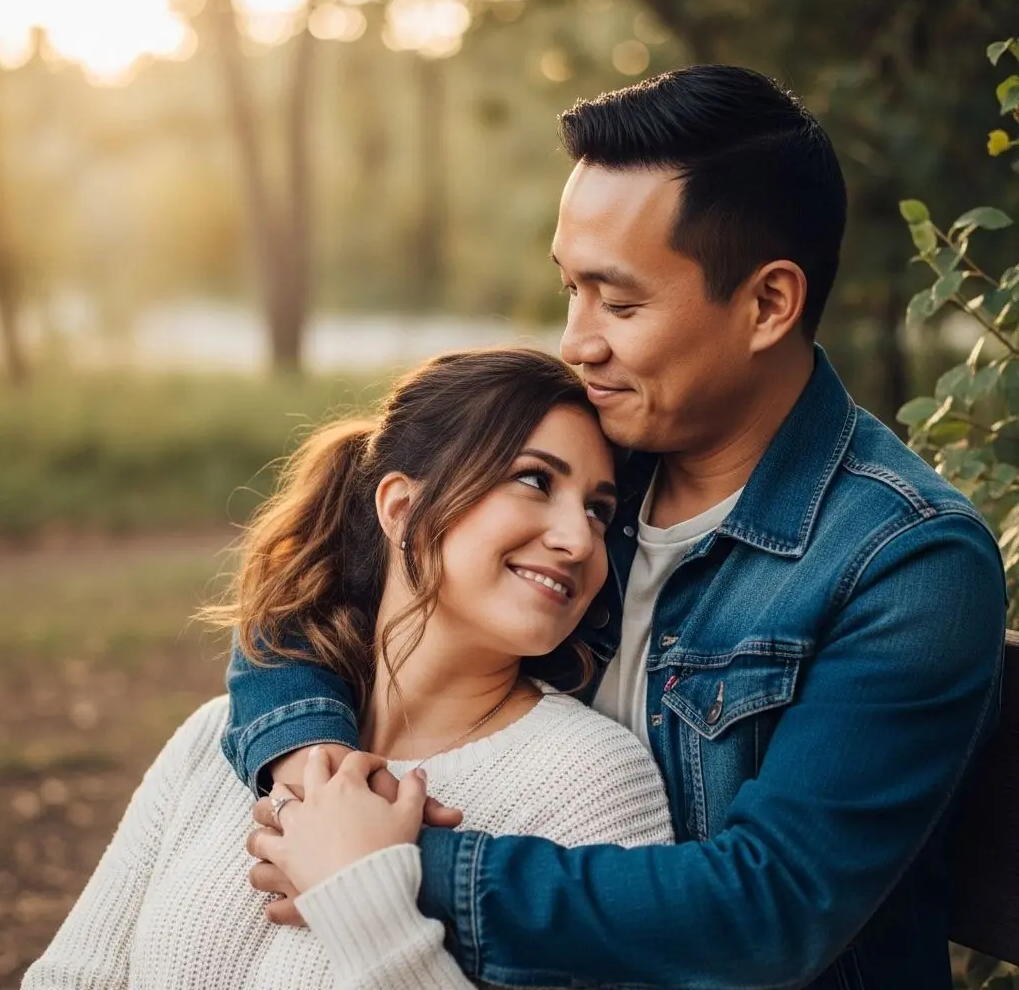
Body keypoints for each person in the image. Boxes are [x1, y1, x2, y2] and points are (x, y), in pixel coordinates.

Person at [230, 65, 1007, 989]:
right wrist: (308, 758)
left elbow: (770, 910)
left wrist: (388, 863)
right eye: (571, 288)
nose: (577, 341)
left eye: (621, 302)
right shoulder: (586, 465)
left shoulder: (905, 559)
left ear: (768, 304)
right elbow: (316, 586)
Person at [21, 349, 674, 990]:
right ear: (400, 507)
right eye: (535, 481)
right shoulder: (221, 737)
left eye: (599, 510)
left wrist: (365, 905)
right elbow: (72, 976)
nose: (579, 540)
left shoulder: (596, 781)